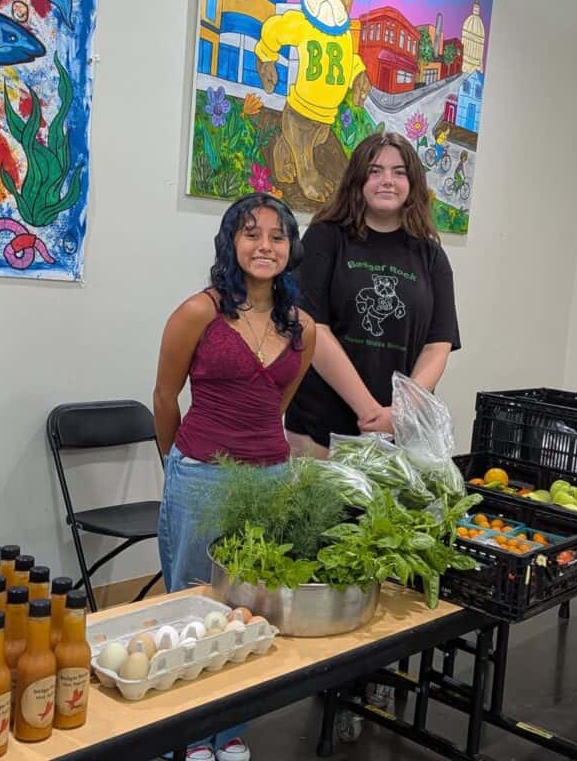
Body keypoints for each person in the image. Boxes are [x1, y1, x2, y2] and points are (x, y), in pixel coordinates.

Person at [152, 193, 315, 761]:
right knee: (192, 605)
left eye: (277, 235)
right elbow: (165, 396)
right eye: (251, 233)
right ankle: (191, 732)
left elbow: (277, 406)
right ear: (231, 242)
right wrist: (181, 464)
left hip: (269, 481)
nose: (264, 245)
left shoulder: (303, 328)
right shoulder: (200, 312)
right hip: (201, 476)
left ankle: (231, 729)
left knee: (250, 608)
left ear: (290, 248)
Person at [285, 131, 460, 459]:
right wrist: (369, 412)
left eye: (399, 172)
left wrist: (399, 414)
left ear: (413, 183)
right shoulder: (325, 238)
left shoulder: (431, 256)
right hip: (321, 430)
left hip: (401, 435)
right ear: (357, 179)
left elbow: (438, 345)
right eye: (375, 170)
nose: (387, 181)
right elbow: (313, 329)